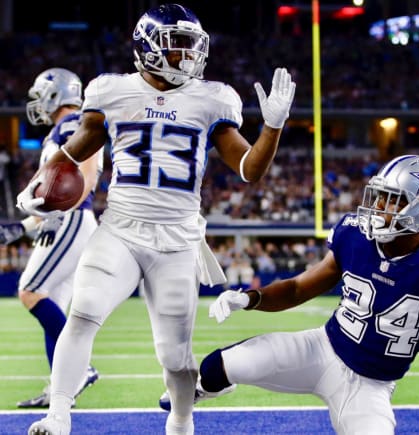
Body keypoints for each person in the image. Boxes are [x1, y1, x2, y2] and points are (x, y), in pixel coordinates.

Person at [21, 4, 295, 435]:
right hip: (121, 230)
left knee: (174, 354)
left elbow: (250, 170)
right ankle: (58, 415)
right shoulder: (112, 92)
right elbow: (73, 150)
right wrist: (39, 183)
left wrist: (272, 128)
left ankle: (181, 422)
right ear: (147, 47)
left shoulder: (211, 98)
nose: (188, 55)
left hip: (177, 240)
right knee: (84, 311)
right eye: (177, 45)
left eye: (192, 45)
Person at [160, 155, 419, 435]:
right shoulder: (354, 234)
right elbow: (299, 287)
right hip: (321, 348)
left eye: (391, 200)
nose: (378, 206)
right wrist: (250, 298)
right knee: (215, 366)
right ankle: (209, 387)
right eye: (379, 196)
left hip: (370, 386)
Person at [0, 68, 102, 408]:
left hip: (70, 219)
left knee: (29, 291)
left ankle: (81, 370)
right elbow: (54, 192)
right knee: (52, 305)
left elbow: (84, 176)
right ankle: (61, 393)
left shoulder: (72, 123)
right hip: (65, 219)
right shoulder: (65, 127)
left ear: (56, 94)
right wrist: (24, 227)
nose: (38, 103)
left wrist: (61, 212)